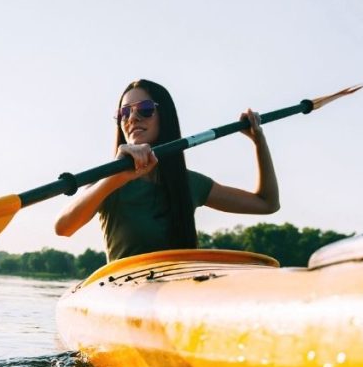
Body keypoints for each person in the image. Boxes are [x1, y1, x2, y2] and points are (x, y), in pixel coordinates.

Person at [55, 79, 280, 261]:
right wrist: (116, 177)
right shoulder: (107, 181)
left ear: (165, 118)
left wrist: (259, 141)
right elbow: (63, 227)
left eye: (144, 110)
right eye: (124, 113)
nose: (132, 118)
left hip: (178, 291)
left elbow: (267, 204)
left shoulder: (190, 183)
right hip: (126, 293)